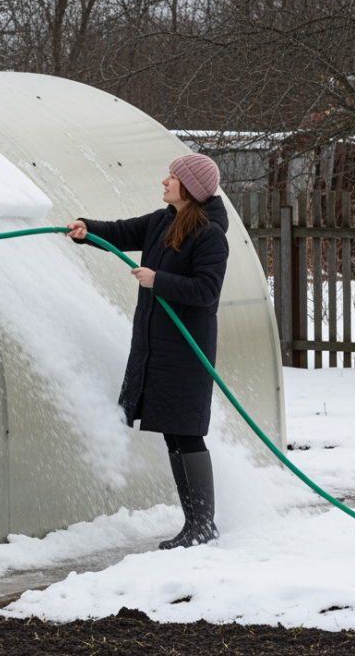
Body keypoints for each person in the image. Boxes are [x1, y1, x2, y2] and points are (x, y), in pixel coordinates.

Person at [66, 153, 228, 549]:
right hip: (156, 346)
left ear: (190, 188)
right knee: (173, 434)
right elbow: (122, 232)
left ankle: (203, 525)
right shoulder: (163, 221)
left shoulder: (210, 236)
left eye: (172, 177)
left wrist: (160, 280)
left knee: (188, 433)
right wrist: (88, 229)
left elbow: (206, 292)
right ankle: (194, 524)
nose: (164, 181)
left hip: (187, 351)